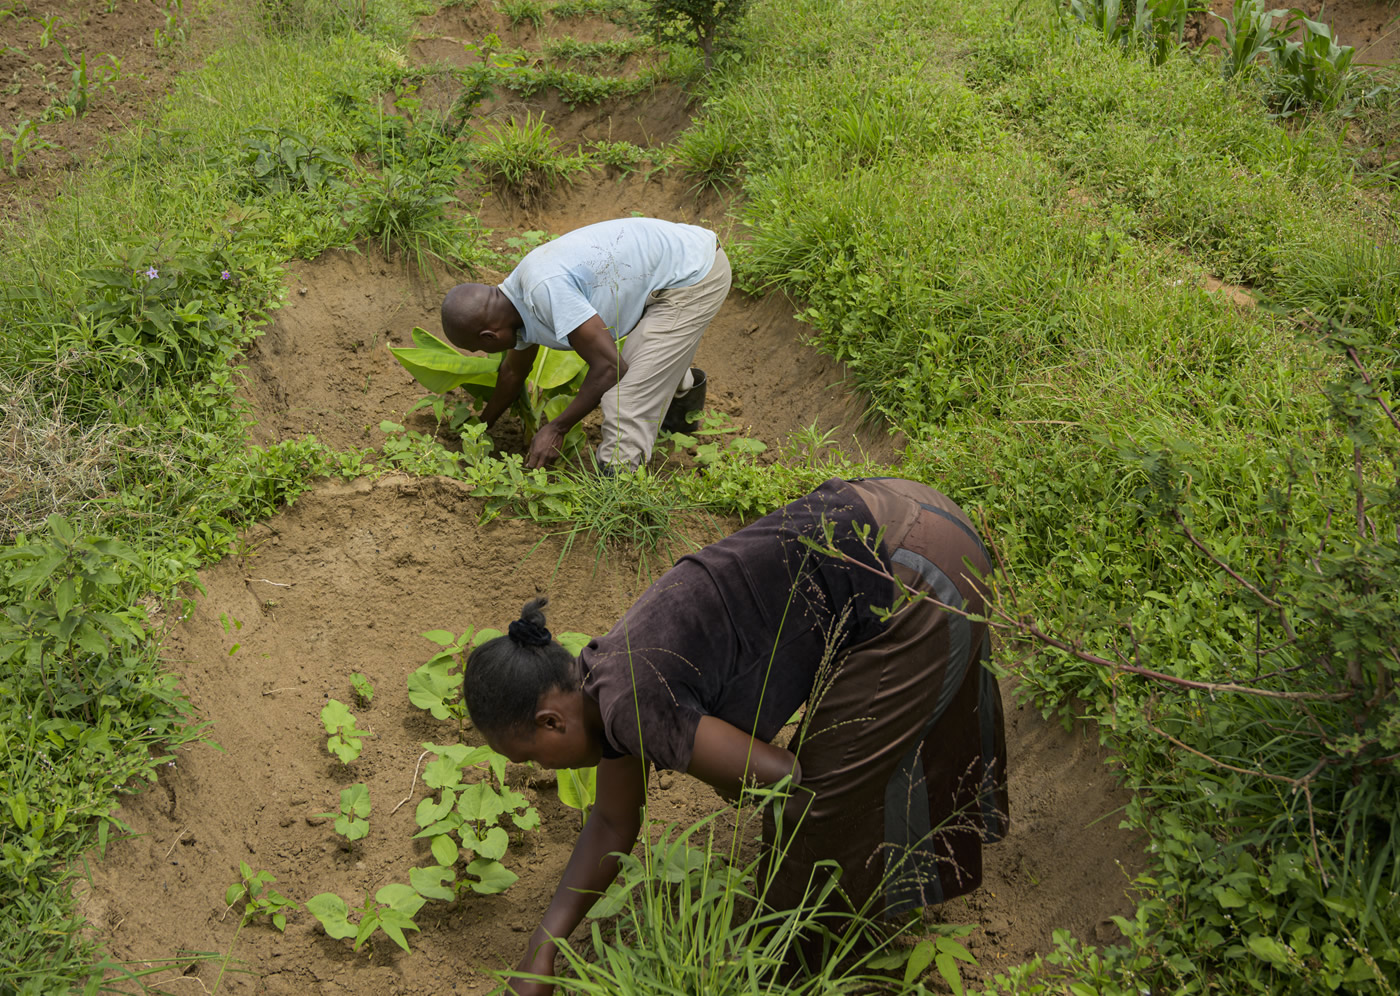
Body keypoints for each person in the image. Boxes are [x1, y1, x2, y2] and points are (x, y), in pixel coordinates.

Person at [463, 477, 1010, 994]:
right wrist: (541, 952)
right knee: (845, 749)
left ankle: (791, 976)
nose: (542, 770)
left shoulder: (629, 703)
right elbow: (611, 821)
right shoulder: (607, 676)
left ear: (550, 722)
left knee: (813, 807)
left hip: (917, 571)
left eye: (531, 758)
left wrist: (728, 776)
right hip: (906, 514)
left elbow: (788, 779)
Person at [440, 217, 728, 472]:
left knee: (624, 400)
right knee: (648, 365)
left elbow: (611, 368)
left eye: (479, 349)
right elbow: (513, 372)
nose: (485, 353)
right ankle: (679, 418)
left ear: (490, 336)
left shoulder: (545, 290)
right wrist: (482, 425)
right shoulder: (513, 302)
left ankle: (619, 489)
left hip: (692, 276)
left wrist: (557, 428)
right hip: (668, 268)